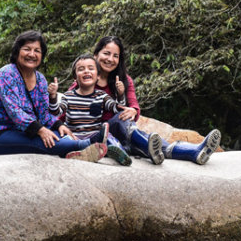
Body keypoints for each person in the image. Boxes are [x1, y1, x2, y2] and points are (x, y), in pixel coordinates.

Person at [66, 36, 221, 165]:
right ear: (96, 55)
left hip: (124, 134)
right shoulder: (83, 81)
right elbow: (65, 108)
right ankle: (149, 147)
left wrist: (133, 110)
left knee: (143, 133)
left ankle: (194, 152)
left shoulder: (125, 80)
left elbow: (134, 107)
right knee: (123, 121)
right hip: (98, 135)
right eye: (106, 53)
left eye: (115, 56)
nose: (110, 59)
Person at [0, 30, 107, 161]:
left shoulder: (40, 79)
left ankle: (76, 152)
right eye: (27, 49)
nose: (32, 54)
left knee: (59, 135)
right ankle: (86, 145)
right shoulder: (7, 74)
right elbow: (15, 112)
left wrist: (59, 125)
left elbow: (44, 114)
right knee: (42, 140)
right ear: (17, 51)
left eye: (37, 51)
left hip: (27, 131)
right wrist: (41, 130)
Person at [48, 54, 137, 166]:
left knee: (108, 136)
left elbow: (117, 108)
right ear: (75, 78)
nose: (86, 71)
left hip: (95, 137)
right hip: (75, 137)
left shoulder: (102, 96)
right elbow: (56, 112)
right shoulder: (68, 96)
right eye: (81, 69)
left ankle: (120, 153)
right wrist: (52, 96)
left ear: (98, 76)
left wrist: (120, 94)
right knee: (64, 140)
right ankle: (80, 153)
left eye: (91, 68)